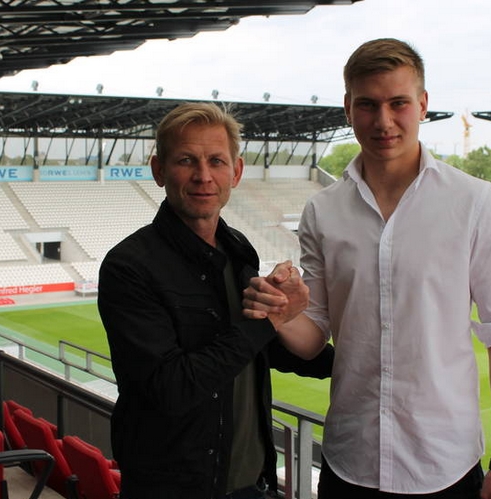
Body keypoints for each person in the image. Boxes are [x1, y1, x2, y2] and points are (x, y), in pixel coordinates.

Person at [243, 38, 491, 499]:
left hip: (445, 464)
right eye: (368, 105)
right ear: (347, 109)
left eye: (398, 103)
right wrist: (280, 312)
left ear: (422, 105)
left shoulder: (474, 202)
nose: (383, 121)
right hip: (350, 461)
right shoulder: (322, 211)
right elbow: (314, 333)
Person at [97, 102, 333, 499]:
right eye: (186, 160)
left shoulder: (236, 247)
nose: (203, 176)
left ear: (236, 172)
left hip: (251, 483)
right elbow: (171, 388)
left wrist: (346, 365)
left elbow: (256, 350)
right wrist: (269, 320)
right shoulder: (129, 266)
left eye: (217, 161)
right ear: (159, 170)